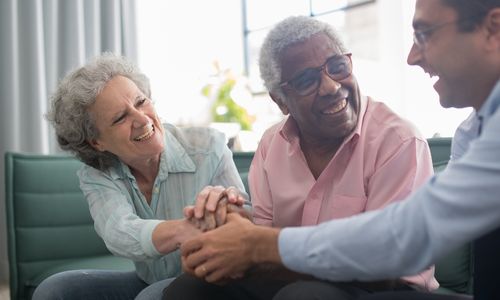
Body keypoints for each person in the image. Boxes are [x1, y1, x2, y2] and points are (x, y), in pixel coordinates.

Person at [177, 0, 500, 300]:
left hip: (383, 287)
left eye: (425, 33)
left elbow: (406, 236)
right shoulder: (473, 132)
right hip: (299, 279)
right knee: (192, 288)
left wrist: (257, 244)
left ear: (494, 28)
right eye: (306, 80)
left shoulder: (400, 138)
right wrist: (231, 231)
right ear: (280, 101)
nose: (412, 56)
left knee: (305, 295)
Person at [32, 53, 249, 300]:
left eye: (140, 102)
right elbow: (118, 231)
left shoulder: (209, 147)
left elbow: (246, 217)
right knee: (56, 290)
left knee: (152, 297)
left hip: (212, 281)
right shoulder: (98, 174)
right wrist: (183, 230)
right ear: (97, 141)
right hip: (148, 280)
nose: (142, 119)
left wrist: (226, 211)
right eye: (120, 118)